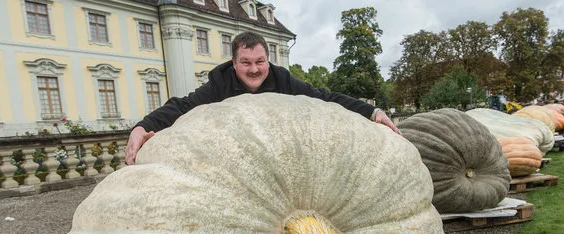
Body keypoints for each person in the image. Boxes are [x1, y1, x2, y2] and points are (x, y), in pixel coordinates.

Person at [126, 31, 401, 165]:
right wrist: (142, 126)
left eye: (260, 61)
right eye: (246, 63)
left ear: (267, 59)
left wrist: (371, 112)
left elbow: (325, 98)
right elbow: (181, 106)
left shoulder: (281, 79)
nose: (254, 69)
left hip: (278, 158)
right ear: (234, 63)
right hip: (236, 160)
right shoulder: (220, 83)